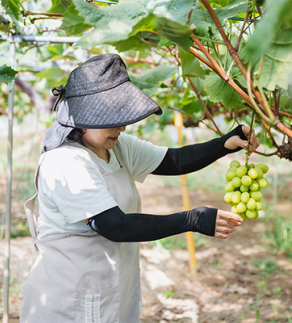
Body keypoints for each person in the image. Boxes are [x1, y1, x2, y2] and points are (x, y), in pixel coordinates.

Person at [20, 53, 260, 323]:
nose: (122, 126)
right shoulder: (66, 161)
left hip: (107, 289)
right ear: (84, 118)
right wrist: (192, 219)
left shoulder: (115, 146)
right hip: (67, 302)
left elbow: (174, 160)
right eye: (111, 119)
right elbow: (114, 226)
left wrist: (223, 144)